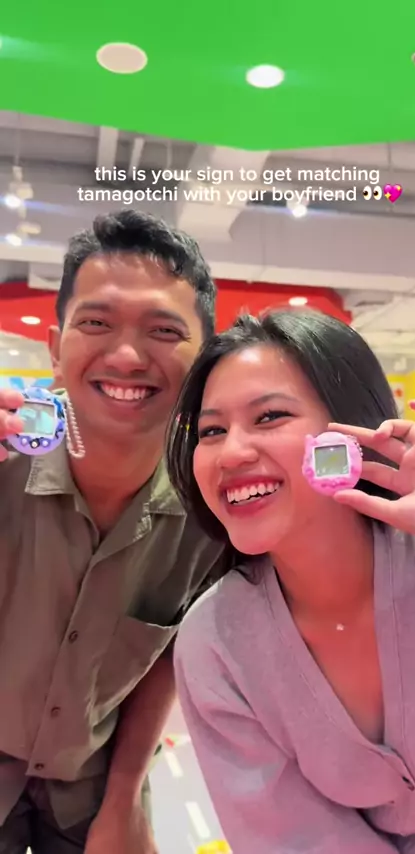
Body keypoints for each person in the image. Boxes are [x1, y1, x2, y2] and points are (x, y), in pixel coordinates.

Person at [167, 307, 415, 854]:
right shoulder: (215, 643)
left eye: (269, 417)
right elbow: (293, 839)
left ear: (350, 433)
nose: (232, 451)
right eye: (212, 430)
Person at [0, 209, 224, 854]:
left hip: (95, 781)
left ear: (204, 361)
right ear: (54, 347)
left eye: (163, 330)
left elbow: (165, 659)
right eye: (96, 323)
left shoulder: (214, 511)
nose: (126, 357)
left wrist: (124, 798)